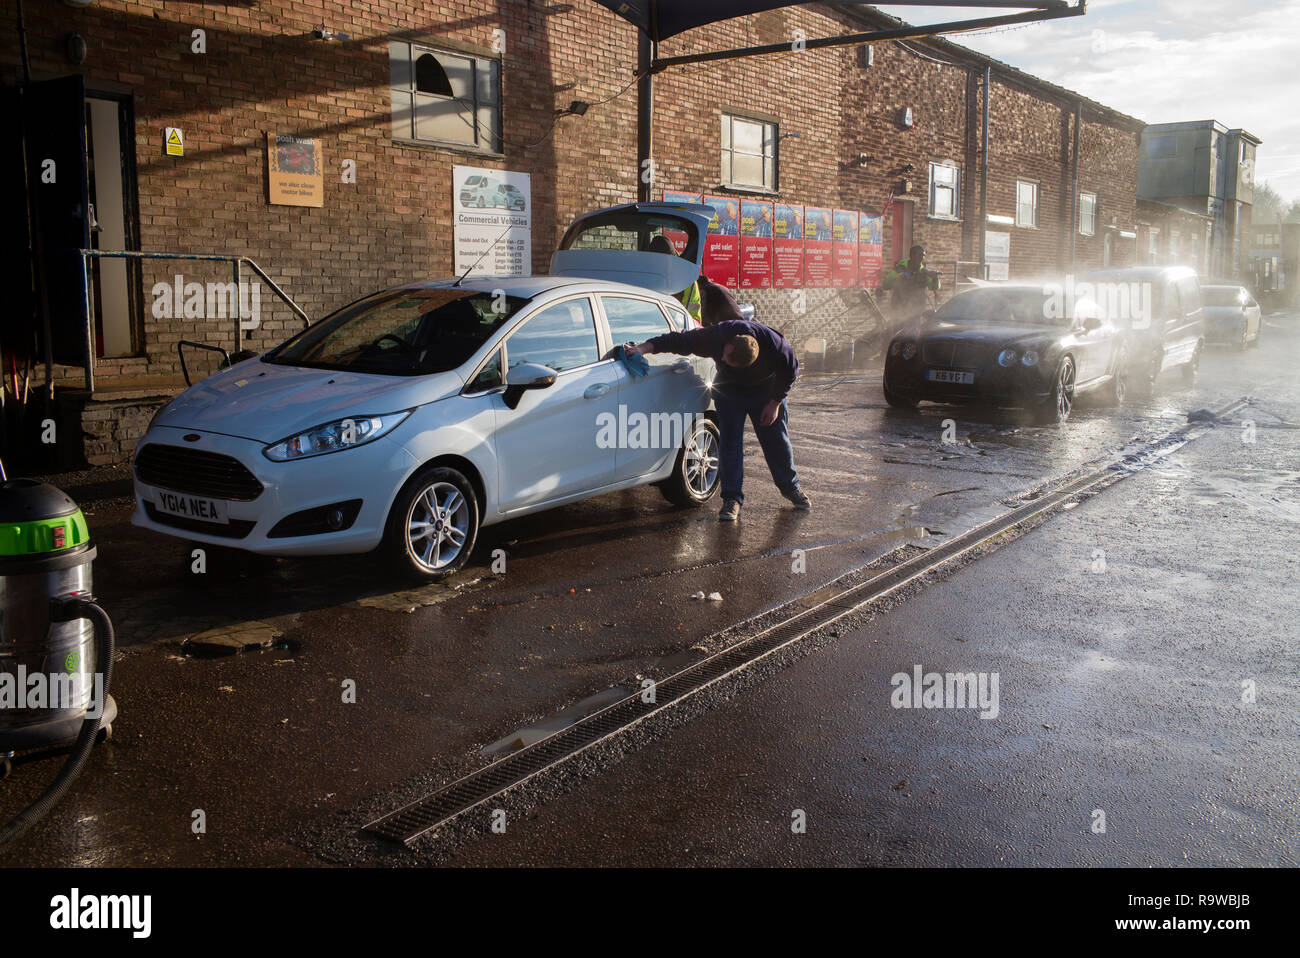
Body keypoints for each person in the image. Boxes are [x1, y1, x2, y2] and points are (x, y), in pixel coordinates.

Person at [625, 305, 809, 521]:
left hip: (765, 392)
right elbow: (677, 341)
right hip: (730, 390)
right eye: (725, 354)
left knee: (776, 441)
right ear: (730, 342)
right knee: (730, 442)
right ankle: (732, 500)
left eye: (730, 361)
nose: (723, 358)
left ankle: (791, 488)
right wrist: (643, 348)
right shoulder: (717, 336)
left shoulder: (776, 346)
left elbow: (790, 371)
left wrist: (775, 402)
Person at [882, 243, 941, 327]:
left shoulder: (924, 272)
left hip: (917, 313)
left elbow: (934, 287)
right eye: (919, 255)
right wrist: (900, 276)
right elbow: (885, 285)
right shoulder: (900, 269)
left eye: (923, 256)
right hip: (899, 311)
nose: (922, 258)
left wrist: (935, 278)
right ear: (912, 255)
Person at [647, 234, 702, 323]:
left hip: (680, 329)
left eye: (664, 262)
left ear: (672, 258)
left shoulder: (686, 278)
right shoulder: (645, 273)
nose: (661, 266)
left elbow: (693, 316)